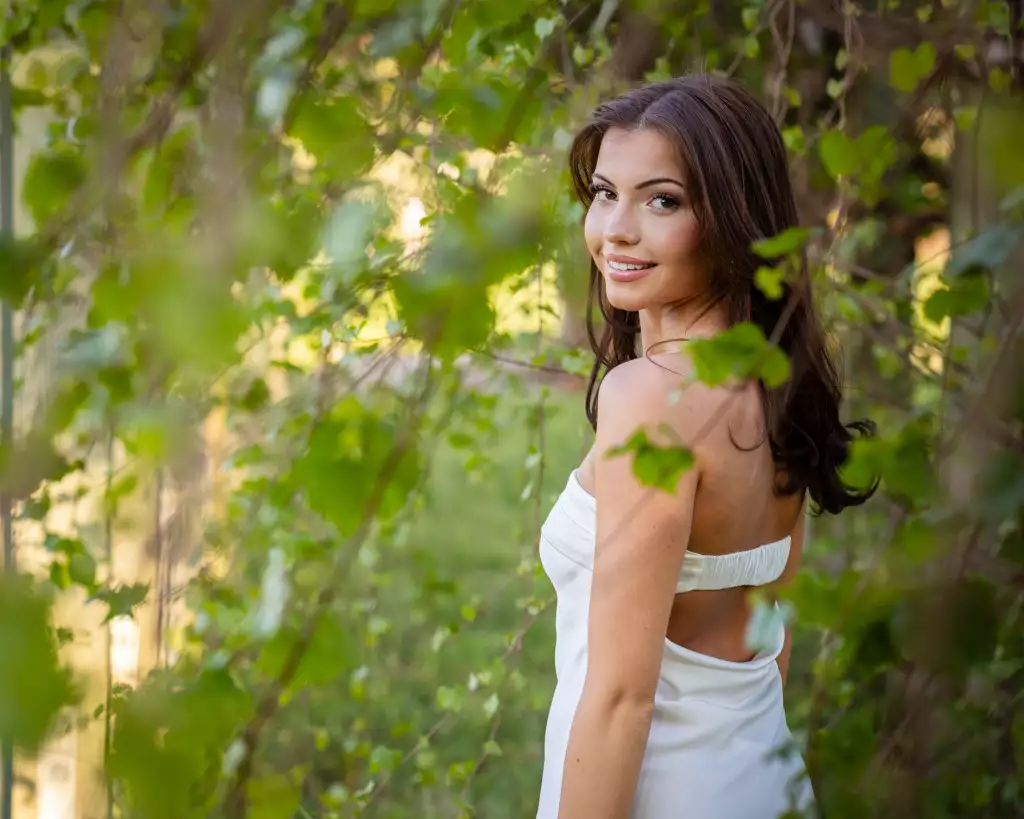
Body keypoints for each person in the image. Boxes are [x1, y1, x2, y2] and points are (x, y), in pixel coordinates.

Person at [534, 75, 875, 819]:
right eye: (603, 193)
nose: (616, 229)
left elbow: (622, 699)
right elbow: (770, 640)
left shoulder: (649, 399)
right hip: (763, 782)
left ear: (731, 216)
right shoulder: (777, 376)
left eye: (662, 200)